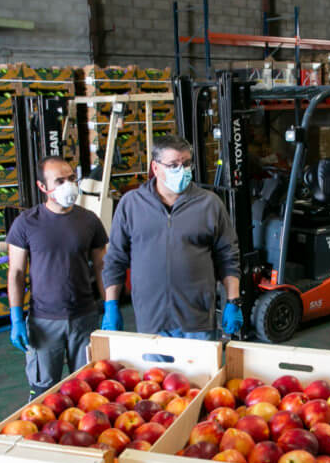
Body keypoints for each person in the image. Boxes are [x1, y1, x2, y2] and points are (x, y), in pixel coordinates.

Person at [101, 135, 243, 339]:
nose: (182, 170)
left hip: (197, 320)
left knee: (200, 371)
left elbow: (228, 256)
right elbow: (115, 259)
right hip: (151, 320)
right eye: (173, 164)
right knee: (155, 372)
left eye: (186, 164)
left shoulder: (209, 204)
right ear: (156, 167)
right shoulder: (131, 204)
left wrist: (233, 301)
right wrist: (111, 304)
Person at [7, 156, 108, 399]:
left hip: (84, 318)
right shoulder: (26, 223)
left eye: (72, 178)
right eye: (60, 180)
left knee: (86, 387)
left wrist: (110, 306)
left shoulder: (89, 220)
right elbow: (17, 272)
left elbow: (102, 266)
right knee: (43, 390)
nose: (69, 185)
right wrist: (16, 317)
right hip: (44, 321)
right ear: (43, 187)